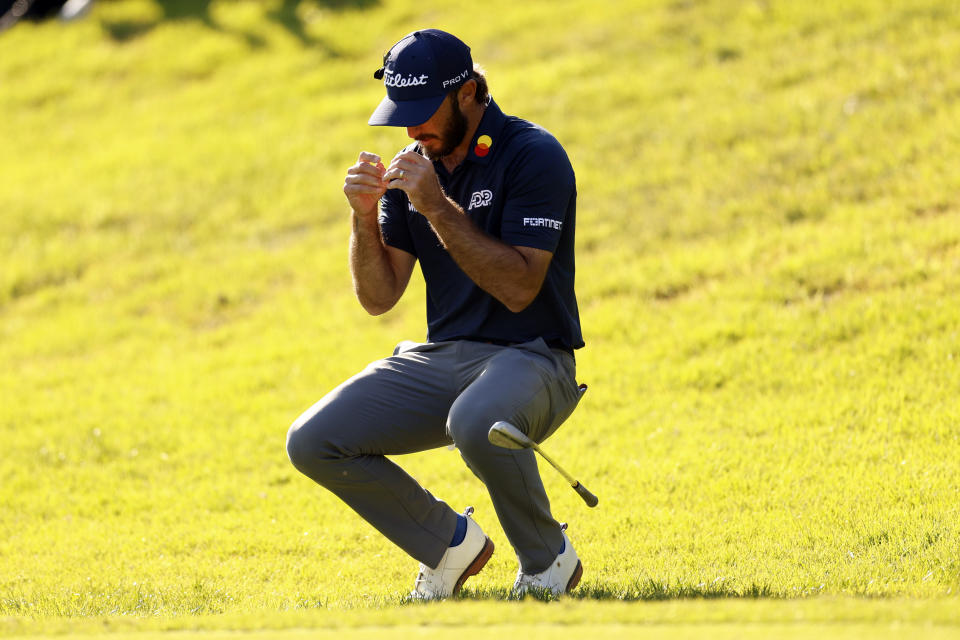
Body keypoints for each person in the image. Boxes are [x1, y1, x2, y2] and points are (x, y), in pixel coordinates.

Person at [286, 28, 585, 600]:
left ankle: (549, 562)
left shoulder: (532, 155)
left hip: (533, 358)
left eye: (424, 112)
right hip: (443, 359)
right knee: (313, 440)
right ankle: (449, 547)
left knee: (476, 421)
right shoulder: (413, 170)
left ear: (469, 92)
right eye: (402, 114)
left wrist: (435, 206)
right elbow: (378, 297)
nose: (412, 130)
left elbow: (520, 288)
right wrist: (364, 216)